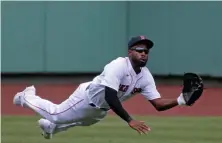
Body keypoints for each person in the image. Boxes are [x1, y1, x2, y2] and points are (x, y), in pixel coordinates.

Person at [13, 35, 203, 139]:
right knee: (56, 114)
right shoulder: (118, 65)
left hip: (101, 110)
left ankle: (49, 128)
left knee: (78, 123)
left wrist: (180, 100)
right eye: (140, 50)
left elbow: (158, 104)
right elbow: (110, 95)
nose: (144, 54)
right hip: (86, 98)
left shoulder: (145, 76)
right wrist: (130, 120)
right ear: (130, 52)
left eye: (146, 51)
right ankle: (27, 96)